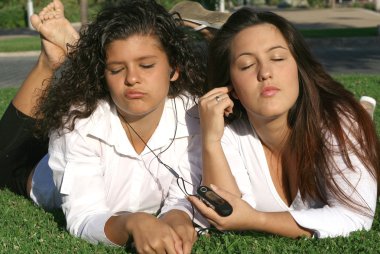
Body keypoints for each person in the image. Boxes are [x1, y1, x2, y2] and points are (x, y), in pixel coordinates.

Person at [0, 0, 208, 252]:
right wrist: (131, 223)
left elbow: (184, 191)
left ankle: (78, 49)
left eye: (146, 66)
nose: (132, 78)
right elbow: (85, 216)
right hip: (38, 167)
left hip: (88, 138)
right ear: (104, 75)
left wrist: (179, 215)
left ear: (173, 69)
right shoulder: (79, 123)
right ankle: (50, 60)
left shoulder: (193, 115)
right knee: (5, 159)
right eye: (116, 69)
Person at [188, 7, 380, 239]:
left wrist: (256, 219)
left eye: (277, 58)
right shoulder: (228, 133)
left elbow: (355, 216)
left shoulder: (337, 122)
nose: (265, 72)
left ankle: (363, 109)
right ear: (232, 87)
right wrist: (210, 140)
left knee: (354, 117)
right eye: (247, 65)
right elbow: (226, 213)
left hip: (340, 119)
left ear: (298, 68)